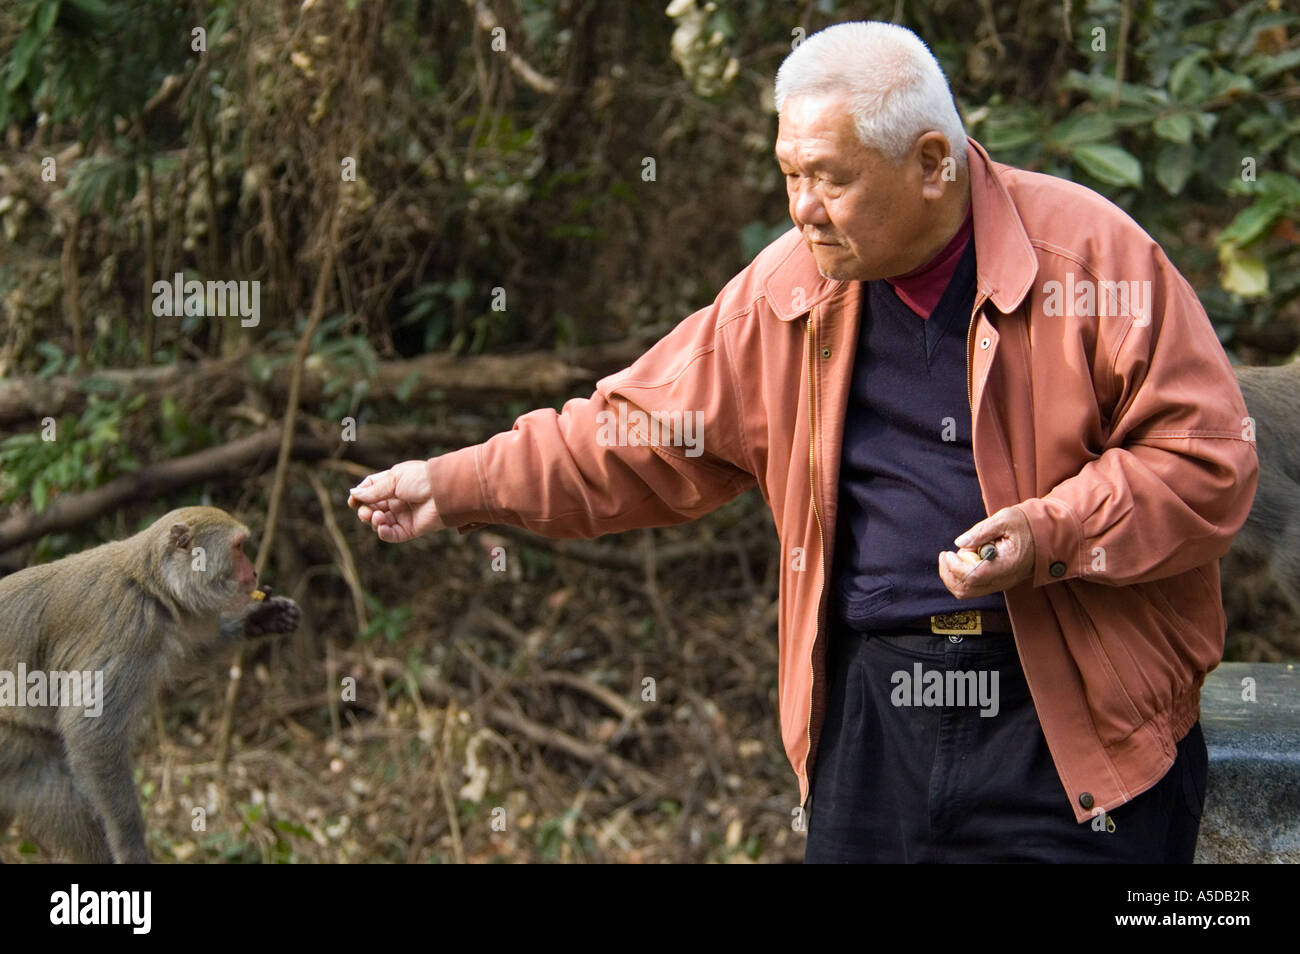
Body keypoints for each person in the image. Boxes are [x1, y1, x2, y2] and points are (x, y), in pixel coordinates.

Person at [348, 21, 1258, 862]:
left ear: (932, 163)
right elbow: (631, 435)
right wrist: (454, 483)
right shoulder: (791, 290)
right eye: (789, 174)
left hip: (1063, 711)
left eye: (830, 177)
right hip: (874, 713)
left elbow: (1207, 460)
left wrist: (1050, 532)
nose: (803, 209)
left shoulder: (1089, 260)